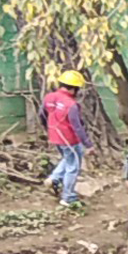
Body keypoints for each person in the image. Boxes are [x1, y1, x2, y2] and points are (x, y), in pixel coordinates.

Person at [40, 70, 93, 207]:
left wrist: (49, 128)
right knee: (73, 167)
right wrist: (88, 144)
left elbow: (42, 114)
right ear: (74, 88)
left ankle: (54, 178)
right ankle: (68, 197)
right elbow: (77, 127)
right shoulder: (71, 105)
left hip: (55, 136)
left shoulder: (49, 97)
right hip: (69, 139)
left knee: (68, 158)